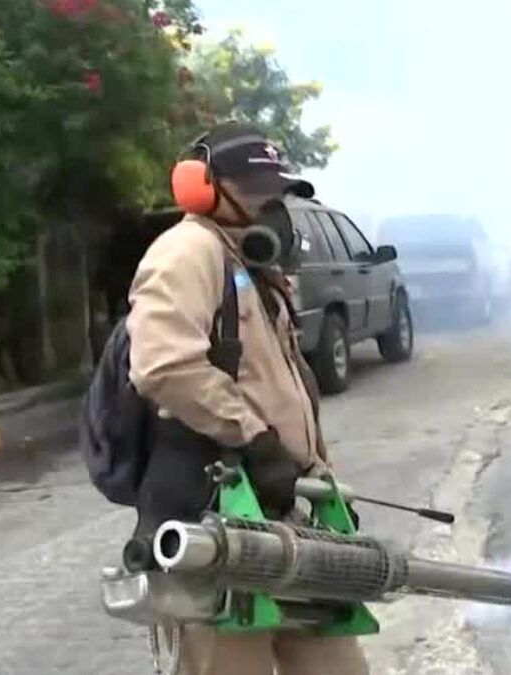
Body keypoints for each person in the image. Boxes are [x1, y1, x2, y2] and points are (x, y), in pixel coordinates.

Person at [125, 122, 370, 675]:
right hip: (216, 516)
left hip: (283, 512)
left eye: (275, 191)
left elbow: (283, 388)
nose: (271, 204)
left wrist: (319, 476)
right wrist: (254, 440)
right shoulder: (187, 252)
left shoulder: (255, 266)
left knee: (337, 664)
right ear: (203, 188)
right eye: (256, 189)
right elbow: (163, 365)